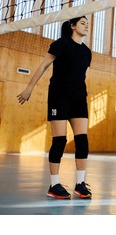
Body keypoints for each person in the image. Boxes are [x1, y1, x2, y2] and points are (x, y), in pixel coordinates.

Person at [17, 16, 92, 199]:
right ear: (72, 26)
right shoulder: (61, 44)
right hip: (59, 97)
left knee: (82, 140)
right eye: (82, 23)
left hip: (79, 98)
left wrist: (81, 93)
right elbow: (43, 65)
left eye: (87, 23)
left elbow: (84, 75)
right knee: (59, 140)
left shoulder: (87, 52)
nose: (86, 25)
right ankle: (54, 184)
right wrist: (29, 88)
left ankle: (80, 183)